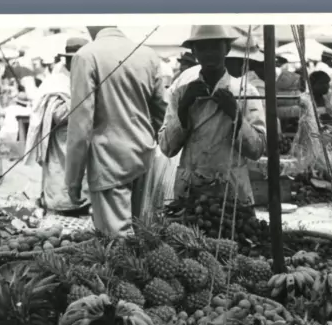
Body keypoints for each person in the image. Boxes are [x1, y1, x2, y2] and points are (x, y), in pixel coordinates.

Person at [66, 26, 167, 237]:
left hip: (108, 160)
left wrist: (73, 180)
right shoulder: (147, 54)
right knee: (143, 233)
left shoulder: (86, 56)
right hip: (144, 155)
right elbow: (161, 111)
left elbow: (80, 125)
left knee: (116, 241)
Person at [158, 25, 266, 206]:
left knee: (233, 232)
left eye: (215, 46)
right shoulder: (181, 92)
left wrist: (235, 114)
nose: (209, 53)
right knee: (190, 233)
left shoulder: (245, 90)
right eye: (202, 48)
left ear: (227, 49)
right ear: (194, 51)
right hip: (191, 190)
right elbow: (167, 148)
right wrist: (183, 110)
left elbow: (257, 150)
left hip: (231, 188)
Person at [25, 37, 91, 216]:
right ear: (68, 60)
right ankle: (61, 208)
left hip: (80, 139)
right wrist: (80, 103)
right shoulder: (56, 82)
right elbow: (56, 115)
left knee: (80, 177)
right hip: (61, 141)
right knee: (61, 179)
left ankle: (81, 205)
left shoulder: (83, 77)